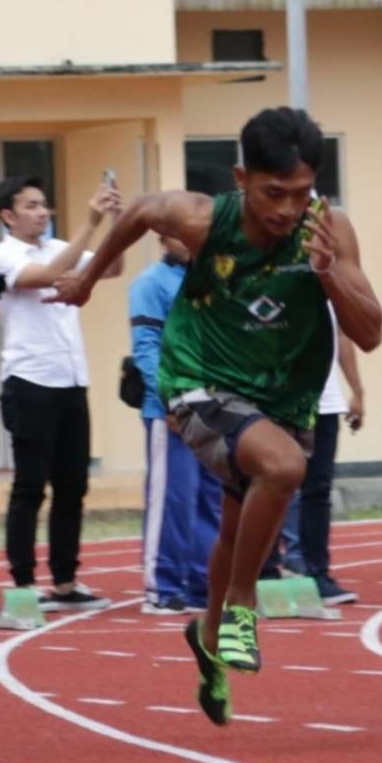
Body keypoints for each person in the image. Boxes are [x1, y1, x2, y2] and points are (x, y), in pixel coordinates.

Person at [47, 106, 382, 725]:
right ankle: (241, 603)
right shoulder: (203, 221)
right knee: (281, 469)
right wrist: (90, 279)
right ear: (240, 178)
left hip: (284, 396)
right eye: (271, 193)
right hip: (199, 378)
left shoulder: (328, 230)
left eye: (300, 193)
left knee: (237, 529)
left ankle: (207, 641)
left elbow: (370, 334)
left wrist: (328, 272)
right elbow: (144, 209)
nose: (286, 210)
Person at [0, 174, 123, 611]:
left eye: (44, 205)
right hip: (30, 382)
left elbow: (112, 267)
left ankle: (65, 582)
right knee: (30, 487)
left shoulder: (58, 246)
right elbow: (43, 275)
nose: (42, 212)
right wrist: (90, 222)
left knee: (72, 486)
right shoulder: (0, 254)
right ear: (8, 215)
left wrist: (115, 217)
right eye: (31, 206)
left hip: (70, 380)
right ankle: (23, 584)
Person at [131, 232, 222, 614]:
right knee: (173, 498)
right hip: (170, 411)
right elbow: (146, 348)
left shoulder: (213, 279)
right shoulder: (150, 283)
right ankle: (163, 586)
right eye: (183, 234)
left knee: (209, 500)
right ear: (163, 237)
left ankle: (203, 583)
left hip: (213, 407)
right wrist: (170, 399)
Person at [273, 318, 363, 604]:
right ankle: (264, 573)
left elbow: (342, 336)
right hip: (279, 401)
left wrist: (357, 390)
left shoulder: (330, 280)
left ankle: (317, 574)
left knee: (318, 491)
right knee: (270, 485)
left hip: (325, 402)